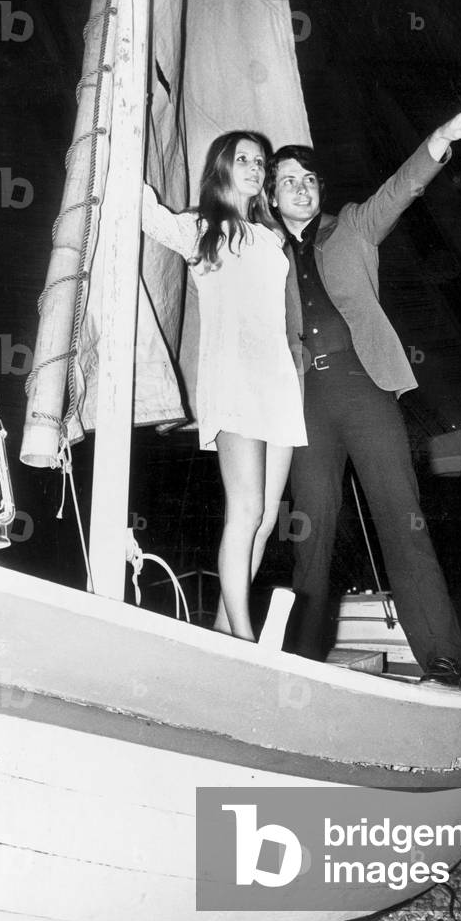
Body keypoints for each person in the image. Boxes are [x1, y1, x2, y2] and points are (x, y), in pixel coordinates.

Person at [266, 97, 461, 688]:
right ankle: (303, 665)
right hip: (304, 398)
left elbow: (403, 187)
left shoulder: (353, 227)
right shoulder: (259, 251)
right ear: (270, 196)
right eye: (288, 181)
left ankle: (443, 661)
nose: (302, 188)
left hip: (364, 386)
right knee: (311, 527)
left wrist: (441, 135)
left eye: (308, 179)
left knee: (402, 516)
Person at [142, 131, 306, 641]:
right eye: (243, 160)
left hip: (277, 384)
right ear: (222, 168)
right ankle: (246, 636)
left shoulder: (273, 235)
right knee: (246, 509)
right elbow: (146, 213)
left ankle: (222, 629)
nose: (255, 168)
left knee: (263, 520)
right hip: (231, 381)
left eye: (260, 161)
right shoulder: (201, 228)